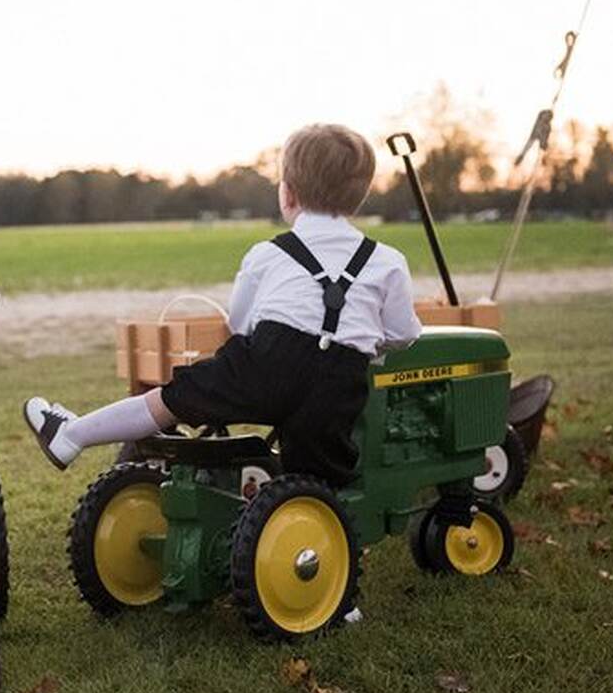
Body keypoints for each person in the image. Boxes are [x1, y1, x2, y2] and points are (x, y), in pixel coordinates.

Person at [23, 123, 422, 486]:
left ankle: (71, 436)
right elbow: (404, 334)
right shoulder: (386, 261)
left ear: (288, 194)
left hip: (265, 364)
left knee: (169, 401)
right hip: (339, 382)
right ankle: (320, 530)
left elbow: (241, 323)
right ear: (361, 195)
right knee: (320, 478)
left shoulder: (268, 254)